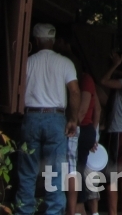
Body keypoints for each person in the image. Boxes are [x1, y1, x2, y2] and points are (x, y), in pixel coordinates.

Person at [15, 23, 80, 215]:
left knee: (27, 172)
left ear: (35, 41)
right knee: (55, 174)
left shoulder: (26, 63)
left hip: (32, 117)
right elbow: (75, 91)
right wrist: (73, 119)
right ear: (53, 41)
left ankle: (23, 212)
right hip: (56, 119)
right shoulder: (65, 63)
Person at [61, 47, 98, 215]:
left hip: (80, 129)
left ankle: (76, 210)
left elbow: (82, 111)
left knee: (74, 172)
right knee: (78, 172)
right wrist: (95, 133)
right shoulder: (88, 80)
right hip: (86, 129)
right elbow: (98, 108)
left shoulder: (84, 80)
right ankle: (79, 209)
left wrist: (71, 125)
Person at [101, 52, 122, 215]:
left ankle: (117, 212)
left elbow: (103, 81)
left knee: (112, 176)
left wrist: (113, 65)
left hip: (118, 134)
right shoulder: (121, 89)